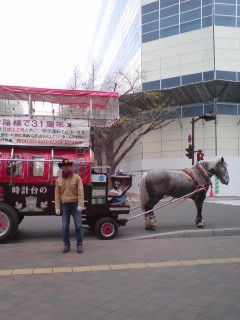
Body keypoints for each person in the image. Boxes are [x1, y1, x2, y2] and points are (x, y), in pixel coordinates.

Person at [55, 159, 84, 253]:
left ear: (70, 167)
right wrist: (57, 207)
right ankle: (66, 245)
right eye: (64, 166)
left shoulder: (77, 178)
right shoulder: (58, 180)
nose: (66, 167)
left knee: (78, 226)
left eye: (67, 166)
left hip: (75, 204)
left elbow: (80, 192)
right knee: (64, 227)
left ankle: (79, 245)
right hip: (65, 205)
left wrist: (80, 204)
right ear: (61, 167)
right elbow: (57, 195)